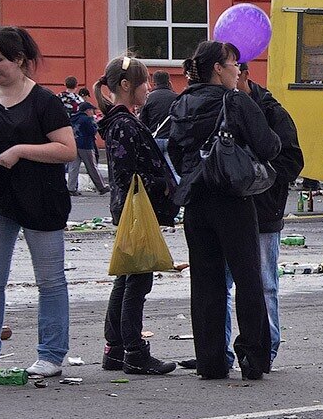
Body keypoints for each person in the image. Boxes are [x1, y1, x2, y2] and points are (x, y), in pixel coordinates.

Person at [167, 41, 281, 381]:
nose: (237, 70)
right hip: (232, 198)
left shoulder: (182, 101)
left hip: (196, 201)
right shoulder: (236, 101)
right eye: (234, 64)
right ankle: (253, 358)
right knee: (248, 278)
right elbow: (269, 145)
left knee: (206, 281)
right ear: (218, 67)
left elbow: (174, 150)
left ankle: (211, 361)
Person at [0, 26, 77, 377]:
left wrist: (21, 150)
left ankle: (52, 354)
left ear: (20, 60)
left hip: (41, 202)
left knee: (50, 281)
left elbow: (67, 150)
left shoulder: (44, 101)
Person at [94, 55, 180, 374]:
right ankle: (135, 350)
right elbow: (128, 176)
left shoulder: (119, 121)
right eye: (143, 83)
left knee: (126, 276)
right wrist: (166, 184)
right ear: (126, 85)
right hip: (137, 210)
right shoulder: (125, 123)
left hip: (127, 209)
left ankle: (115, 349)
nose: (147, 89)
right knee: (138, 281)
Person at [218, 62, 304, 370]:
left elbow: (293, 160)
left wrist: (256, 178)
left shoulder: (270, 112)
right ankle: (222, 351)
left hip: (262, 210)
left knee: (264, 282)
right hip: (231, 209)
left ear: (243, 74)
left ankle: (266, 348)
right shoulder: (222, 105)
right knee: (223, 284)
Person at [68, 101, 110, 194]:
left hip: (74, 143)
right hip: (86, 145)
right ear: (87, 110)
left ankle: (71, 188)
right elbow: (93, 131)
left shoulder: (73, 118)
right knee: (92, 166)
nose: (93, 112)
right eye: (91, 110)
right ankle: (101, 187)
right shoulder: (87, 119)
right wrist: (95, 123)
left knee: (73, 167)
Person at [138, 70, 178, 168]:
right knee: (173, 170)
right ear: (168, 81)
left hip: (154, 139)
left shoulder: (148, 98)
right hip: (171, 139)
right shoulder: (177, 98)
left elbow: (143, 122)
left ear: (154, 82)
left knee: (155, 170)